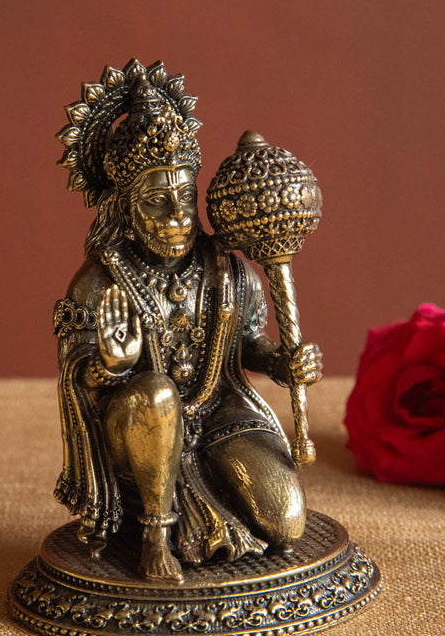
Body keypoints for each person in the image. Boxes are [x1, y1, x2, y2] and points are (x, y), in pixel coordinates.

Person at [53, 61, 322, 583]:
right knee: (156, 394)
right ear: (125, 207)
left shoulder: (225, 269)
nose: (177, 215)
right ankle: (156, 537)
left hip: (217, 409)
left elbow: (246, 341)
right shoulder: (101, 280)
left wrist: (280, 362)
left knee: (287, 523)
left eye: (185, 198)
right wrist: (111, 366)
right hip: (140, 426)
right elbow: (77, 372)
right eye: (156, 202)